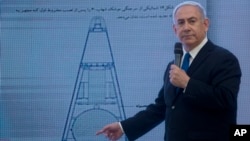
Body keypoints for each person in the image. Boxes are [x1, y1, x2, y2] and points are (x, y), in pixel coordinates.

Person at [96, 1, 242, 141]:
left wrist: (188, 84)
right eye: (181, 22)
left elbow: (226, 99)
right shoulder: (174, 65)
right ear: (175, 29)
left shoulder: (224, 59)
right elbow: (161, 107)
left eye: (192, 21)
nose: (186, 27)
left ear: (205, 24)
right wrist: (124, 127)